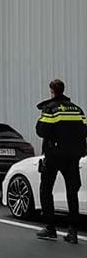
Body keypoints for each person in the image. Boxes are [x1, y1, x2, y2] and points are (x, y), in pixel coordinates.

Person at [34, 79, 86, 244]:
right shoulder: (78, 110)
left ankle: (50, 228)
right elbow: (84, 130)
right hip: (74, 156)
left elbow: (41, 131)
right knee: (72, 192)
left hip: (54, 155)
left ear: (52, 91)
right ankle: (72, 232)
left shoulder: (51, 109)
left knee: (46, 189)